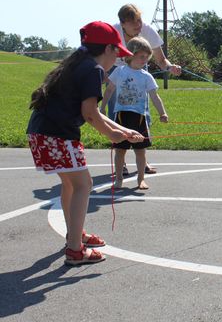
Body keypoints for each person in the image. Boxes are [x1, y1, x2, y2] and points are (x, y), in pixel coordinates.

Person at [26, 21, 144, 266]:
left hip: (42, 133)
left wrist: (123, 130)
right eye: (118, 54)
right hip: (58, 135)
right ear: (108, 49)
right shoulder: (93, 70)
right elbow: (89, 113)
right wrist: (112, 136)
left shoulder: (78, 64)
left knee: (71, 185)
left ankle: (75, 235)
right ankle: (75, 250)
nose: (118, 60)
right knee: (84, 185)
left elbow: (95, 114)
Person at [110, 3, 181, 175]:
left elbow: (161, 60)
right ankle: (122, 160)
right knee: (116, 115)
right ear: (123, 23)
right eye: (133, 22)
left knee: (143, 114)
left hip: (140, 73)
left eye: (139, 20)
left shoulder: (148, 31)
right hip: (116, 72)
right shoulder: (113, 32)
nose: (138, 25)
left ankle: (142, 159)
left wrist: (171, 67)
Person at [100, 37, 168, 189]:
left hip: (139, 118)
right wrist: (103, 107)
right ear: (131, 55)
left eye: (147, 58)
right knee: (120, 150)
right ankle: (118, 179)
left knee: (140, 151)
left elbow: (155, 96)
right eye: (141, 56)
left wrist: (162, 113)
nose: (145, 60)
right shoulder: (119, 71)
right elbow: (109, 89)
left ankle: (141, 179)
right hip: (121, 116)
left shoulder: (146, 76)